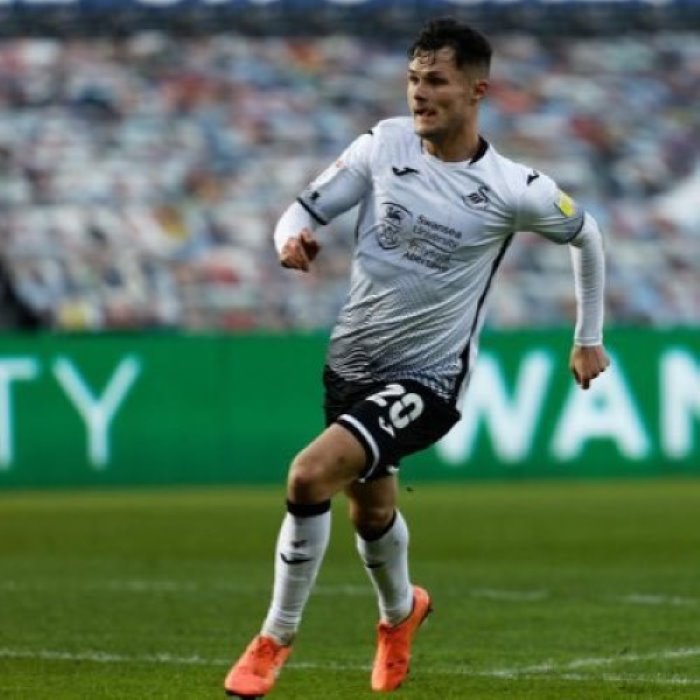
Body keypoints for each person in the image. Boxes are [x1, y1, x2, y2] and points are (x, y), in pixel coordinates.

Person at [224, 17, 610, 698]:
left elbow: (588, 236)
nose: (419, 94)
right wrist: (290, 240)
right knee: (371, 516)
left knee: (309, 476)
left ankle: (274, 637)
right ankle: (401, 613)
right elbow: (300, 211)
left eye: (436, 81)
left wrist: (587, 336)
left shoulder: (514, 188)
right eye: (412, 79)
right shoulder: (382, 145)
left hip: (429, 380)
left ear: (477, 91)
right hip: (352, 365)